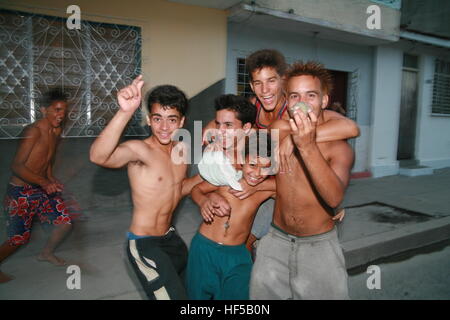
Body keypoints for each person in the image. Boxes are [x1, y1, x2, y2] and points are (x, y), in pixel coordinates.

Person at [89, 76, 202, 300]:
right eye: (157, 118)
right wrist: (125, 112)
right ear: (149, 120)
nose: (164, 127)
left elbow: (178, 190)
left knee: (189, 294)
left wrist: (215, 175)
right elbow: (98, 156)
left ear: (181, 123)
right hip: (145, 244)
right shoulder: (139, 150)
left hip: (172, 239)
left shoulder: (182, 150)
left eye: (171, 120)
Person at [250, 61, 355, 300]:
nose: (303, 103)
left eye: (311, 95)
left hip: (318, 246)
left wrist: (305, 144)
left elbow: (334, 196)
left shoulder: (340, 149)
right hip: (275, 240)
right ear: (287, 101)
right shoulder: (278, 128)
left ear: (324, 101)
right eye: (295, 95)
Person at [187, 104, 276, 300]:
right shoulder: (226, 177)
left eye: (265, 167)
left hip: (237, 254)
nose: (257, 173)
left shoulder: (267, 189)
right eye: (252, 165)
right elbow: (197, 189)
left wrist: (257, 187)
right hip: (205, 248)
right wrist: (205, 200)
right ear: (242, 161)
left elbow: (294, 189)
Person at [0, 89, 73, 283]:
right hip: (20, 192)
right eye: (57, 110)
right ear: (43, 110)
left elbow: (47, 159)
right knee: (18, 239)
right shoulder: (33, 131)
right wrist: (43, 182)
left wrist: (50, 178)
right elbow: (16, 166)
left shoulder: (56, 130)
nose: (61, 115)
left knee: (64, 223)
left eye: (64, 110)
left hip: (42, 188)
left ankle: (46, 253)